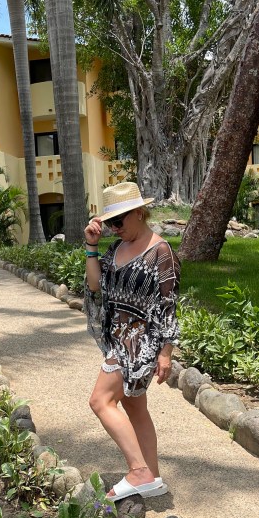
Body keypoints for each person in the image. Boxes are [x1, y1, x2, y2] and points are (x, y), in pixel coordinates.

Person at [84, 182, 180, 501]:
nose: (115, 228)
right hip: (118, 338)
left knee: (100, 401)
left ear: (139, 212)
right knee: (135, 407)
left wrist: (166, 353)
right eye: (110, 222)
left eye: (119, 220)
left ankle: (139, 472)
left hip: (142, 341)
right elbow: (95, 285)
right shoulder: (115, 249)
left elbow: (168, 306)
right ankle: (152, 476)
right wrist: (92, 246)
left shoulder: (160, 251)